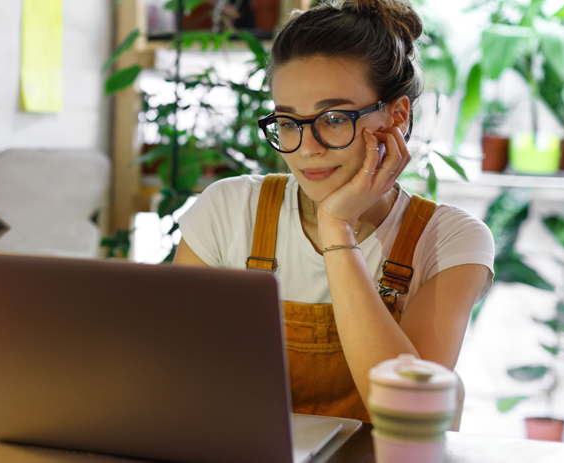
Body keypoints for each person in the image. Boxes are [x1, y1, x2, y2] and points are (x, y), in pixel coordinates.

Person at [173, 0, 495, 422]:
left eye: (334, 118)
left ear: (397, 116)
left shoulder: (450, 240)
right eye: (288, 122)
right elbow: (173, 375)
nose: (307, 147)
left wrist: (336, 227)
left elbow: (412, 413)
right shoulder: (229, 209)